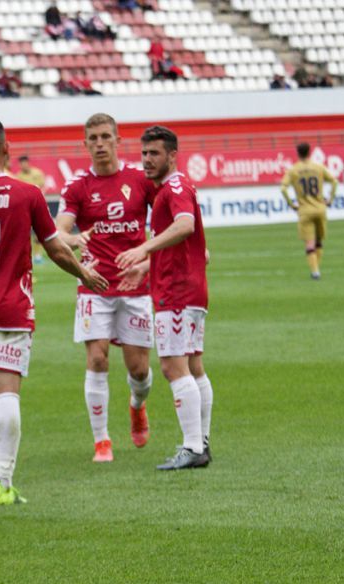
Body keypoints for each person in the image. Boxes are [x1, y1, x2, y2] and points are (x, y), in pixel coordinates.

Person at [0, 118, 107, 504]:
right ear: (7, 149)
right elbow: (56, 249)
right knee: (8, 392)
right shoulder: (27, 194)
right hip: (12, 305)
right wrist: (84, 273)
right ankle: (4, 479)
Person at [54, 113, 157, 463]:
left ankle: (137, 406)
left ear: (117, 141)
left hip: (135, 287)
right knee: (97, 357)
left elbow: (162, 225)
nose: (99, 144)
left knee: (138, 370)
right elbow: (59, 230)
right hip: (94, 284)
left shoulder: (140, 180)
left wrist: (146, 263)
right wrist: (73, 238)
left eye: (105, 137)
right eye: (93, 139)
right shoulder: (77, 187)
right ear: (85, 145)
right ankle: (102, 441)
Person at [116, 125, 213, 470]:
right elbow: (193, 243)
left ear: (172, 155)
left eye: (154, 153)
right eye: (143, 153)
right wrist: (146, 266)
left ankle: (192, 447)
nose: (146, 160)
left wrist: (143, 247)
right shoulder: (173, 188)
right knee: (194, 365)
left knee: (174, 367)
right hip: (188, 288)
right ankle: (199, 443)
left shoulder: (173, 187)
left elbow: (185, 225)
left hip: (177, 292)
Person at [280, 142, 338, 280]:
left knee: (309, 243)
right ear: (310, 152)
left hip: (305, 210)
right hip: (320, 208)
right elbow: (334, 181)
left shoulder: (293, 170)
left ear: (297, 153)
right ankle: (317, 268)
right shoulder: (318, 167)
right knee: (319, 242)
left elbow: (283, 188)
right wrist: (330, 199)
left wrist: (291, 204)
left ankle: (315, 271)